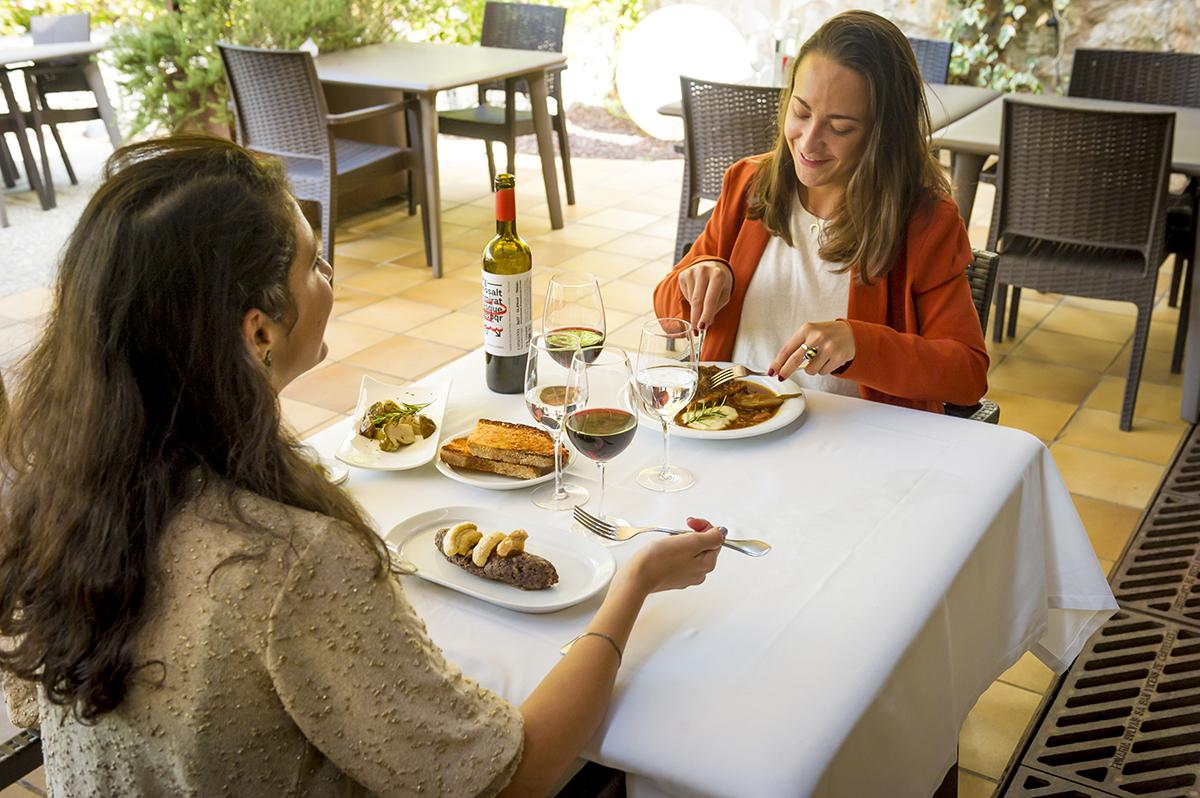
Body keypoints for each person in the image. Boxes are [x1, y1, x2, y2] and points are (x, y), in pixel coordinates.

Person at [0, 136, 724, 797]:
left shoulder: (51, 500)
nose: (330, 277)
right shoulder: (288, 556)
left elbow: (41, 706)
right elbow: (512, 779)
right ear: (259, 331)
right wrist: (631, 587)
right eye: (315, 262)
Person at [654, 10, 988, 413]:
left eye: (840, 127)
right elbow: (669, 315)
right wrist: (700, 276)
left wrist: (859, 344)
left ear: (883, 135)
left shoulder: (925, 222)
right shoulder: (748, 184)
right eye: (801, 112)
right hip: (731, 423)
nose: (809, 142)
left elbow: (967, 375)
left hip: (859, 439)